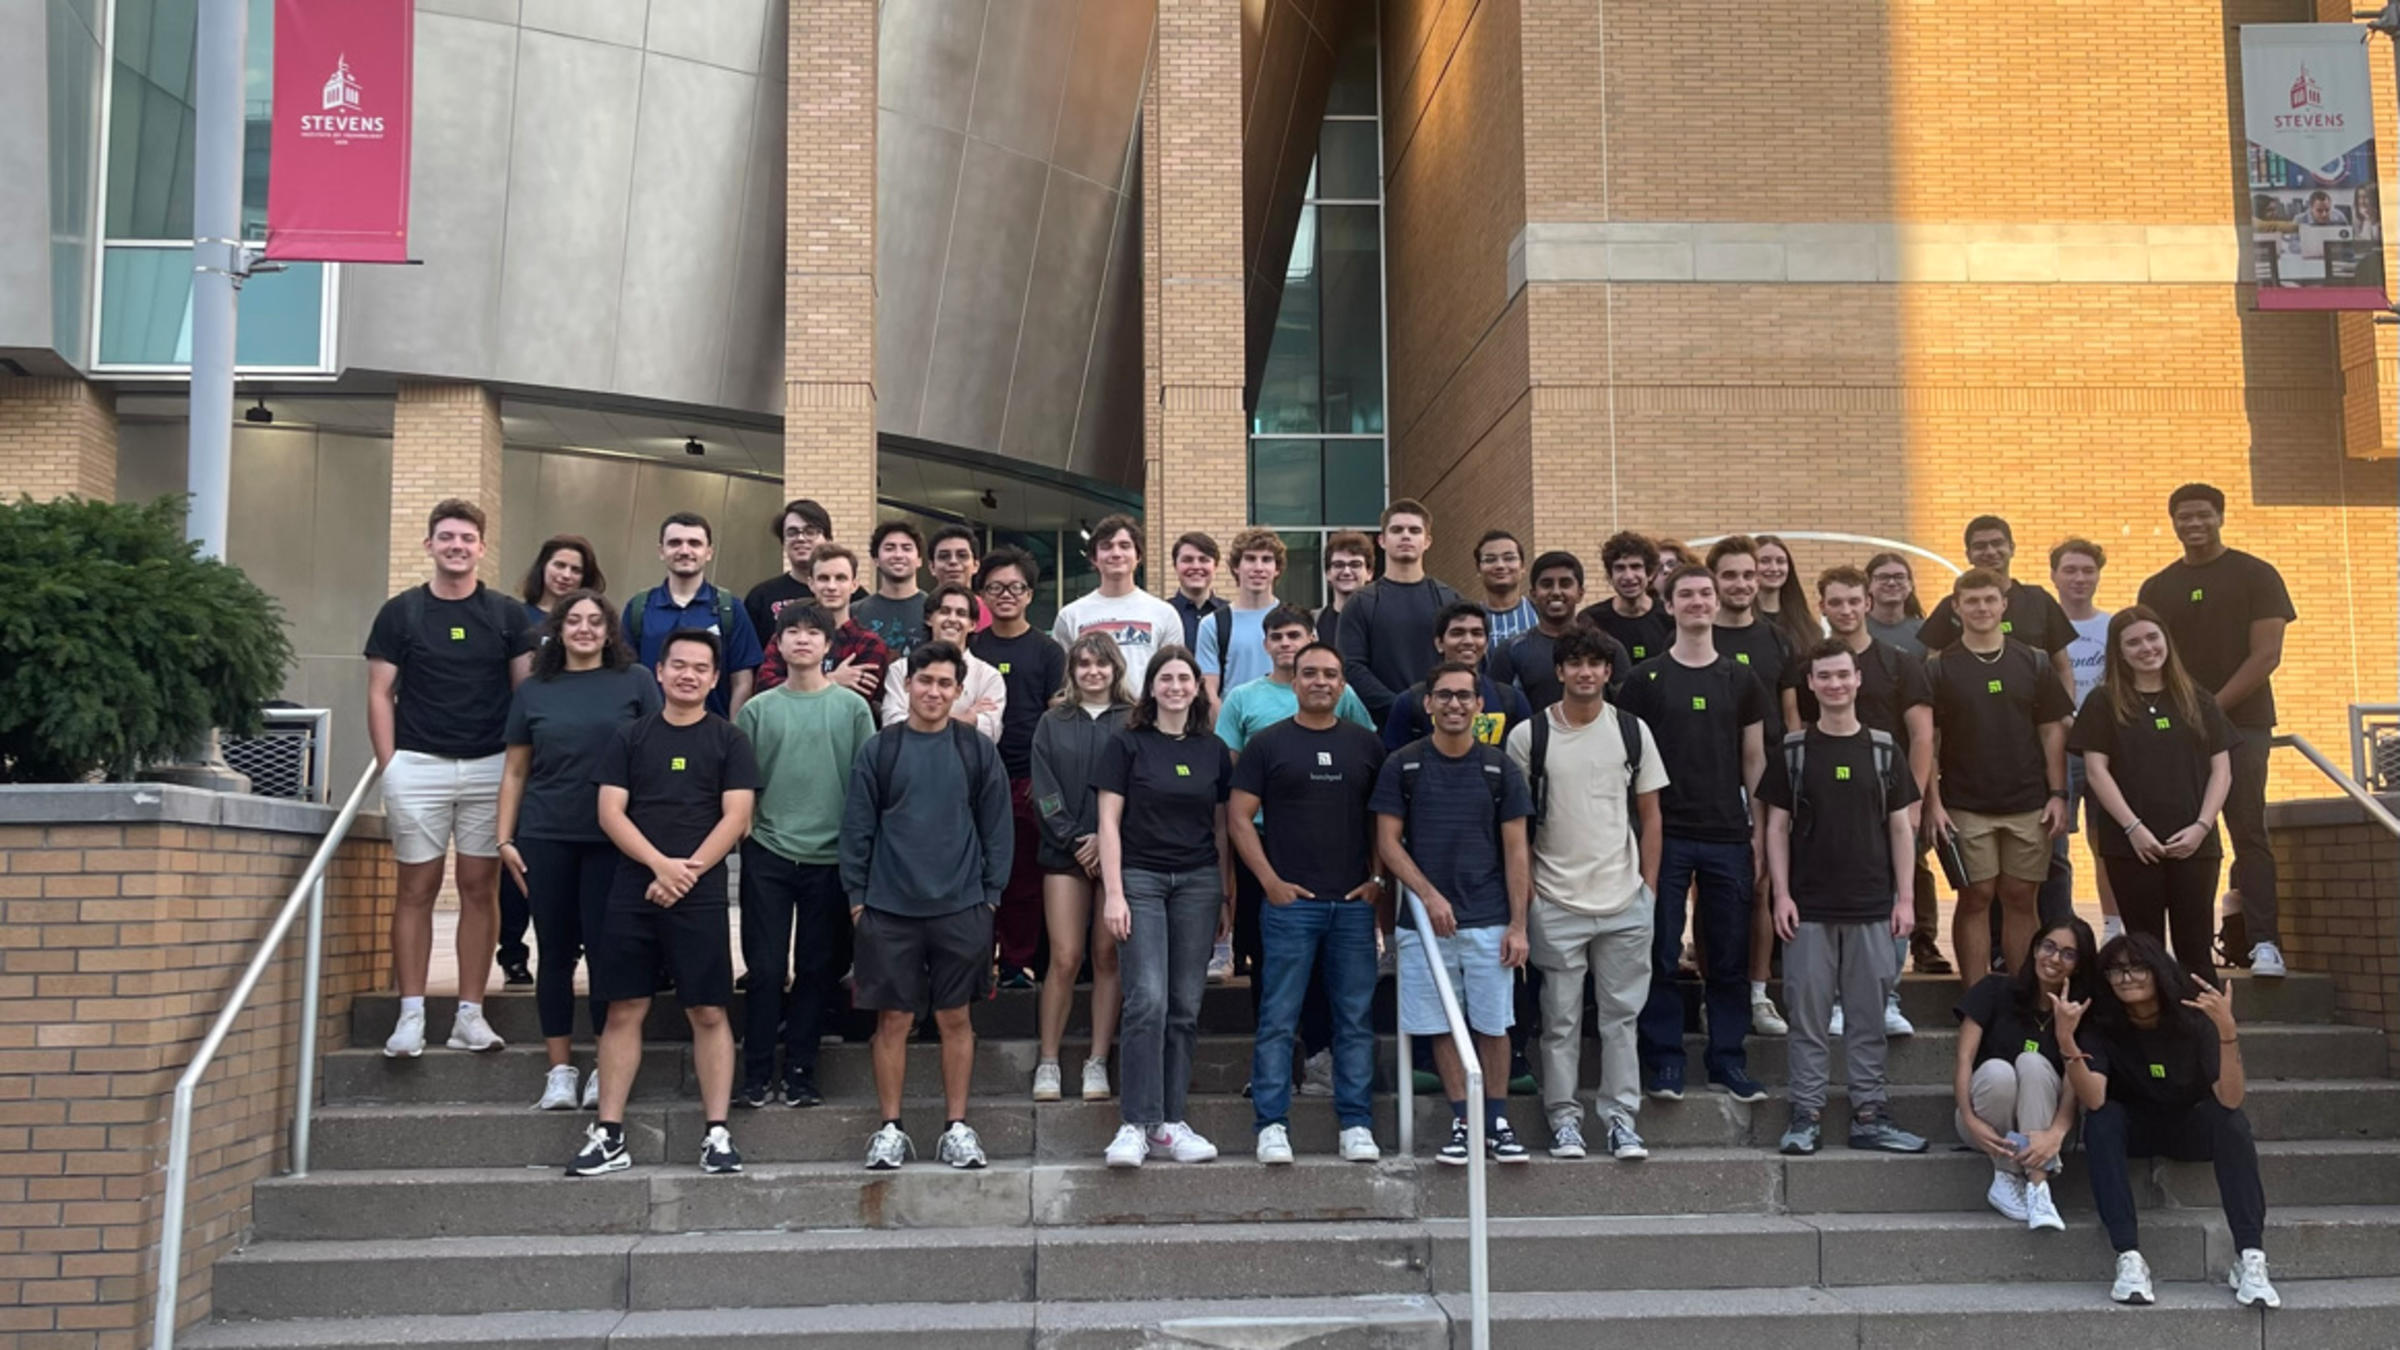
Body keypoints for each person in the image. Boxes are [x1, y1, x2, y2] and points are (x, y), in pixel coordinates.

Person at [569, 630, 755, 1177]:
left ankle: (716, 1133)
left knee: (709, 1010)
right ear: (659, 670)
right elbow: (610, 812)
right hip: (634, 887)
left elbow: (736, 817)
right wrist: (659, 866)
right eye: (679, 665)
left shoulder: (729, 740)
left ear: (715, 678)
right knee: (624, 1008)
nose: (688, 675)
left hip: (700, 892)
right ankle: (609, 1134)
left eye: (700, 668)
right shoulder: (630, 737)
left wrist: (684, 874)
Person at [365, 499, 534, 1058]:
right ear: (429, 544)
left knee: (480, 888)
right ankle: (411, 1014)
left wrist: (517, 770)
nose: (457, 546)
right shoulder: (401, 612)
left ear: (482, 547)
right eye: (446, 537)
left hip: (490, 767)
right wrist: (390, 765)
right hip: (418, 765)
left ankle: (470, 1014)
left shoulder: (506, 615)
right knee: (416, 888)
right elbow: (379, 693)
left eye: (466, 538)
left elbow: (525, 696)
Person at [840, 640, 1015, 1171]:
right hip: (888, 908)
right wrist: (857, 901)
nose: (933, 692)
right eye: (925, 681)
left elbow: (997, 828)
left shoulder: (975, 750)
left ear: (958, 691)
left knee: (955, 1017)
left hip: (962, 906)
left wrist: (989, 899)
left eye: (944, 683)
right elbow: (857, 829)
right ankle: (890, 1129)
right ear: (907, 685)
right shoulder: (880, 750)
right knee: (893, 1019)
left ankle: (956, 1128)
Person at [1762, 641, 1929, 1157]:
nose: (1834, 684)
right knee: (1808, 1019)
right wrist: (1781, 894)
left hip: (1872, 905)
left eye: (1842, 675)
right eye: (1824, 677)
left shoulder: (1883, 750)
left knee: (1867, 1019)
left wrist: (1905, 899)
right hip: (1808, 907)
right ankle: (1806, 1114)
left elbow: (1900, 828)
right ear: (1811, 685)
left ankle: (1870, 1115)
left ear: (1858, 680)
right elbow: (1776, 827)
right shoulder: (1793, 751)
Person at [1506, 627, 1663, 1162]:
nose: (1585, 673)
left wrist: (1648, 888)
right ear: (1559, 671)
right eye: (1575, 664)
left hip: (1624, 899)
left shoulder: (1632, 731)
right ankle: (1564, 1121)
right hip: (1555, 899)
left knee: (1621, 1020)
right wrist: (1528, 897)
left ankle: (1621, 1121)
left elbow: (1651, 815)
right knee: (1560, 1022)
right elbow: (1517, 827)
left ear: (1608, 671)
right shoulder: (1529, 735)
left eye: (1595, 664)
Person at [498, 591, 659, 1110]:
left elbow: (656, 755)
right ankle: (560, 1071)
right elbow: (516, 770)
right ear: (558, 630)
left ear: (610, 631)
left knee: (608, 953)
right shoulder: (535, 689)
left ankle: (604, 1068)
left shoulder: (636, 681)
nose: (585, 629)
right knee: (555, 952)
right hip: (546, 834)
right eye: (574, 621)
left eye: (595, 621)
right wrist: (504, 838)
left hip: (615, 841)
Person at [1230, 641, 1389, 1165]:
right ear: (1294, 681)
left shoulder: (1366, 745)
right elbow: (1238, 818)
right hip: (1289, 906)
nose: (1320, 681)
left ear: (1342, 684)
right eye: (1310, 673)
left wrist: (1377, 879)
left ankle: (1356, 1124)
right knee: (1278, 1018)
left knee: (1355, 1019)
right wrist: (1270, 881)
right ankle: (1271, 1124)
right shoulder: (1267, 744)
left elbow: (1382, 821)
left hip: (1352, 905)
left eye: (1330, 674)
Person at [2059, 934, 2278, 1310]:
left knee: (2232, 1122)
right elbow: (2093, 1097)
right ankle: (2128, 1256)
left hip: (2188, 1126)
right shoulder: (2102, 1024)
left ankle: (2250, 1257)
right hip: (2133, 1130)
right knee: (2102, 1118)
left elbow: (2230, 1098)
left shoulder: (2193, 1018)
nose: (2127, 977)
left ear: (2158, 970)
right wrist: (2067, 1040)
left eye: (2137, 967)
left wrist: (2227, 1031)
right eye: (2116, 970)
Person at [1620, 564, 1771, 1104]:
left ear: (1716, 602)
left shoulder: (1740, 678)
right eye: (1686, 594)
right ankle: (1664, 1060)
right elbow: (1628, 764)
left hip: (1728, 834)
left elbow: (1754, 759)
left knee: (1727, 954)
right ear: (1670, 605)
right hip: (1665, 834)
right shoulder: (1645, 680)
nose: (1698, 601)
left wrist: (1758, 832)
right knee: (1660, 950)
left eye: (1706, 593)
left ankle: (1728, 1060)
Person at [1376, 661, 1536, 1164]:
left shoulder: (1499, 768)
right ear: (1428, 703)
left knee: (1493, 1024)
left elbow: (1517, 850)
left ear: (1479, 705)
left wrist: (1519, 925)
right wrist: (1428, 895)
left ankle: (1497, 1122)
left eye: (1464, 696)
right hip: (1425, 925)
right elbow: (1388, 842)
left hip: (1489, 917)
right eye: (1444, 695)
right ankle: (1465, 1122)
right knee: (1440, 1023)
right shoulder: (1403, 765)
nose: (1454, 704)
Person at [2136, 483, 2296, 978]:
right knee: (2179, 835)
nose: (2193, 524)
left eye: (2203, 514)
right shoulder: (2157, 587)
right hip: (2175, 730)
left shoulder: (2256, 575)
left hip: (2242, 726)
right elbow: (2150, 658)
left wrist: (2208, 710)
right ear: (2173, 523)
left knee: (2247, 829)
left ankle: (2264, 942)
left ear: (2220, 517)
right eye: (2183, 517)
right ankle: (2183, 951)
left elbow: (2266, 655)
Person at [1218, 607, 1377, 1080]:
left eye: (1295, 635)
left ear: (1310, 639)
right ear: (1266, 644)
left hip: (1330, 842)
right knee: (1264, 956)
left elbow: (1364, 759)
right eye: (1278, 636)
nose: (1286, 643)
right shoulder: (1242, 698)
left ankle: (1320, 1052)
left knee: (1327, 961)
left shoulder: (1341, 695)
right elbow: (1230, 774)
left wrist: (1376, 874)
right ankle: (1275, 1065)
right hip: (1262, 843)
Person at [733, 605, 876, 1108]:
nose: (802, 639)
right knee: (766, 968)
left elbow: (865, 785)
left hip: (830, 857)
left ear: (828, 645)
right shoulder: (758, 710)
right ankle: (755, 1074)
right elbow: (743, 786)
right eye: (791, 631)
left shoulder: (852, 709)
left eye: (813, 632)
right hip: (769, 852)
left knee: (817, 968)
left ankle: (800, 1072)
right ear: (777, 643)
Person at [1096, 646, 1234, 1168]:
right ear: (1151, 687)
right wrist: (1114, 893)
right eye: (1166, 678)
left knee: (1184, 1006)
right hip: (1141, 879)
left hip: (1198, 883)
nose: (1176, 687)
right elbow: (1108, 823)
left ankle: (1170, 1124)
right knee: (1147, 1000)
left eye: (1184, 679)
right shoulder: (1126, 744)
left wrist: (1225, 893)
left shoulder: (1213, 749)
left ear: (1198, 688)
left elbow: (1221, 828)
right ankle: (1135, 1123)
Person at [1796, 565, 1937, 1024]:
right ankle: (1839, 1000)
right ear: (1822, 607)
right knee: (1835, 904)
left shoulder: (1900, 663)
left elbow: (1922, 736)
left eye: (1854, 601)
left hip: (1889, 802)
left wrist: (1914, 800)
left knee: (1894, 899)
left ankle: (1887, 997)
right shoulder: (1813, 667)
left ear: (1868, 604)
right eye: (1835, 602)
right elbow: (1801, 734)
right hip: (1829, 807)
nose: (1846, 610)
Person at [2071, 607, 2236, 981]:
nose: (2146, 648)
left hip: (2195, 844)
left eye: (2152, 638)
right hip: (2131, 845)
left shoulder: (2198, 699)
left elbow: (2222, 771)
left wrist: (2202, 826)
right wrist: (2133, 828)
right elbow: (2096, 771)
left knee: (2196, 951)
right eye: (2133, 642)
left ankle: (2207, 1020)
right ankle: (2151, 1020)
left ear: (2166, 641)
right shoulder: (2102, 702)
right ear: (2119, 652)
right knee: (2145, 952)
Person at [1924, 568, 2072, 983]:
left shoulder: (2034, 661)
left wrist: (2058, 793)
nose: (1982, 608)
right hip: (1964, 801)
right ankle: (1975, 999)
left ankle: (2021, 997)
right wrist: (1933, 803)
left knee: (2021, 896)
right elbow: (1929, 740)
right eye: (1971, 601)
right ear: (1956, 608)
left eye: (1990, 599)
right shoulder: (1939, 668)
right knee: (1976, 896)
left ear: (2004, 605)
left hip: (2028, 801)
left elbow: (2052, 731)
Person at [1029, 633, 1135, 1103]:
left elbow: (1142, 784)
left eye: (1101, 664)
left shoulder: (1135, 720)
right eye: (1084, 664)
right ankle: (1048, 1060)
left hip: (1119, 852)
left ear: (1116, 668)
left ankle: (1097, 1061)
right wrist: (1075, 838)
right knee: (1066, 957)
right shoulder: (1053, 721)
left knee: (1107, 956)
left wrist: (1105, 839)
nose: (1093, 672)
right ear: (1072, 671)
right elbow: (1044, 788)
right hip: (1064, 853)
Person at [500, 533, 606, 986]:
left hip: (586, 788)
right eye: (559, 565)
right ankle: (513, 950)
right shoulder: (518, 619)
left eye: (575, 569)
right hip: (534, 756)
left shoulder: (605, 645)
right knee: (522, 874)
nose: (565, 575)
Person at [1705, 536, 1796, 1036]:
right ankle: (1714, 992)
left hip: (1769, 778)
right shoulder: (1697, 634)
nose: (1740, 584)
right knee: (1709, 891)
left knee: (1762, 884)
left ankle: (1758, 995)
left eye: (1748, 575)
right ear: (1714, 580)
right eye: (1730, 575)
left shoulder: (1777, 640)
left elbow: (1790, 717)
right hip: (1710, 780)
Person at [970, 547, 1068, 998]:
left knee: (1024, 874)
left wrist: (1045, 780)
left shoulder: (1048, 650)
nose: (1006, 595)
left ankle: (1016, 962)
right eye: (995, 587)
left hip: (1028, 776)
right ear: (983, 594)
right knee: (976, 871)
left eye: (1016, 587)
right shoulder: (973, 647)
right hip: (976, 776)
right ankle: (975, 961)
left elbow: (1056, 715)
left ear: (1030, 594)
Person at [1954, 920, 2095, 1233]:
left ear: (2080, 964)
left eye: (2068, 954)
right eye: (2049, 947)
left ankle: (2037, 1187)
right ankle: (2008, 1174)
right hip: (1983, 1122)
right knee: (1998, 1071)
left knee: (2032, 1063)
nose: (2054, 958)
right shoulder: (1994, 989)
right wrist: (1970, 1118)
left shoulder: (2081, 1011)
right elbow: (1964, 1058)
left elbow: (2073, 1082)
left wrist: (2057, 1133)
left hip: (2046, 1124)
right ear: (2034, 949)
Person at [1915, 516, 2076, 699]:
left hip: (2031, 712)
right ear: (1968, 555)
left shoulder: (2039, 600)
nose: (1990, 551)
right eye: (1980, 546)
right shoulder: (1950, 606)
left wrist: (2066, 710)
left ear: (2012, 548)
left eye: (1997, 543)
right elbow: (1932, 671)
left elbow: (2063, 667)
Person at [622, 512, 763, 718]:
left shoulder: (730, 609)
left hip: (712, 730)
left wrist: (733, 730)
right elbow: (625, 677)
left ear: (709, 552)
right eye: (675, 543)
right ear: (661, 551)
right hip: (649, 730)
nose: (684, 550)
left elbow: (742, 680)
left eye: (694, 543)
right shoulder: (639, 608)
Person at [2052, 538, 2124, 942]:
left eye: (2087, 570)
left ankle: (2113, 929)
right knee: (2055, 844)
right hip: (2057, 748)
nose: (2079, 578)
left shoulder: (2113, 627)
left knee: (2107, 841)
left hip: (2105, 749)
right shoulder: (2043, 626)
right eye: (2070, 570)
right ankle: (2060, 930)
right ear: (2054, 576)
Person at [1339, 499, 1465, 721]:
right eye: (1397, 530)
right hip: (1381, 727)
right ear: (1382, 540)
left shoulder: (1450, 600)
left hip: (1442, 723)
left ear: (1427, 541)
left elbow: (1464, 661)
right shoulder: (1360, 603)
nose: (1405, 536)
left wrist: (1437, 705)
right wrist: (1401, 707)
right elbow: (1352, 667)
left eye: (1414, 530)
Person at [1052, 513, 1183, 690]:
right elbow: (1064, 680)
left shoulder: (1164, 614)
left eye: (1125, 546)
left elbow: (1172, 676)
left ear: (1138, 556)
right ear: (1094, 558)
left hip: (1144, 708)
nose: (1116, 553)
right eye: (1106, 546)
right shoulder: (1070, 615)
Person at [1379, 600, 1534, 750]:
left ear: (1486, 644)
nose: (1468, 641)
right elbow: (1396, 762)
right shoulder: (1409, 703)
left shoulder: (1512, 700)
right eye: (1457, 633)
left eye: (1477, 633)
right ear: (1439, 643)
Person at [879, 584, 1006, 740]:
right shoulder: (901, 669)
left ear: (973, 625)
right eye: (945, 611)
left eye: (961, 613)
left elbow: (989, 735)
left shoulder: (989, 677)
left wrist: (919, 717)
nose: (952, 619)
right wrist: (967, 718)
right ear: (929, 619)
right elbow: (892, 725)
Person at [789, 543, 889, 714]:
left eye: (840, 578)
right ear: (811, 584)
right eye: (823, 578)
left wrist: (800, 686)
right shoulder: (789, 637)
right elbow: (767, 689)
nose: (831, 587)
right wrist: (833, 680)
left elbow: (854, 703)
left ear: (854, 585)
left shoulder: (870, 643)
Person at [1489, 550, 1589, 712]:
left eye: (1565, 584)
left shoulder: (1606, 649)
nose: (1556, 592)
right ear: (1533, 595)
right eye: (1547, 584)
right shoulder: (1510, 651)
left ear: (1580, 593)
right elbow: (1494, 710)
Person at [1197, 528, 1288, 700]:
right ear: (1236, 567)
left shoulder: (1298, 622)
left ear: (1277, 569)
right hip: (1235, 716)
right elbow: (1209, 693)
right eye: (1250, 559)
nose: (1258, 568)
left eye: (1266, 559)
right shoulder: (1214, 624)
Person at [743, 498, 833, 667]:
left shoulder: (851, 596)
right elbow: (750, 663)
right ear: (783, 542)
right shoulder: (761, 597)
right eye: (792, 532)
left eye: (810, 531)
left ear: (828, 539)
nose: (801, 538)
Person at [1582, 531, 1674, 671]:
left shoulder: (1670, 617)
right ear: (1610, 576)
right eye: (1620, 568)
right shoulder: (1592, 620)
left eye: (1635, 567)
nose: (1629, 576)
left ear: (1650, 573)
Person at [853, 521, 930, 661]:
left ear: (919, 560)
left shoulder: (934, 609)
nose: (898, 555)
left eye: (907, 548)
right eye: (889, 548)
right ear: (876, 559)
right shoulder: (855, 612)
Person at [1753, 535, 1820, 658]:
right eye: (1764, 561)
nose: (1774, 568)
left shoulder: (1805, 624)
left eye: (1780, 561)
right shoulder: (1742, 619)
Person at [1475, 529, 1538, 646]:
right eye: (1490, 560)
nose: (1500, 565)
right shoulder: (1468, 618)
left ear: (1522, 566)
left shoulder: (1541, 614)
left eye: (1509, 558)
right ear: (1478, 570)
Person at [1168, 531, 1230, 651]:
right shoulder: (1161, 613)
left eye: (1204, 560)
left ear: (1215, 566)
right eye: (1187, 560)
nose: (1196, 566)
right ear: (1175, 566)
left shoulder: (1231, 614)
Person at [1864, 551, 1928, 657]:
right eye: (1883, 577)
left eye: (1899, 577)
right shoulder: (1857, 630)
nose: (1892, 583)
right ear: (1869, 584)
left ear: (1910, 584)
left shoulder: (1925, 631)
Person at [1316, 530, 1375, 645]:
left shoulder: (1383, 621)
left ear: (1369, 573)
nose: (1347, 572)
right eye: (1339, 565)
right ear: (1328, 573)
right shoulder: (1314, 623)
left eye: (1355, 565)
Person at [927, 524, 990, 629]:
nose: (953, 561)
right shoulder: (919, 611)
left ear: (976, 565)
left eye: (962, 555)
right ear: (932, 567)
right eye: (944, 556)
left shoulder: (992, 612)